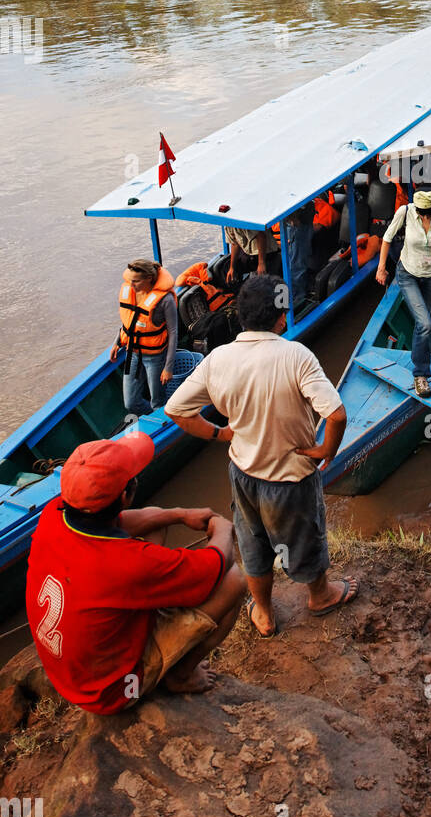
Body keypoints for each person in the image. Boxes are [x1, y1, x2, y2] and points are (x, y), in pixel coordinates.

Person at [165, 275, 357, 638]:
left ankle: (265, 615)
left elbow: (176, 410)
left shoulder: (217, 359)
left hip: (244, 474)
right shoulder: (296, 355)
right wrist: (325, 451)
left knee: (253, 542)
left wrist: (221, 434)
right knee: (305, 538)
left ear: (240, 317)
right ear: (281, 318)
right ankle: (321, 596)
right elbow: (336, 414)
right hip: (292, 477)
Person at [25, 432, 244, 712]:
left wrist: (178, 514)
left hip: (75, 676)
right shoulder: (126, 563)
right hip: (115, 691)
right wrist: (222, 527)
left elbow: (128, 523)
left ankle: (156, 613)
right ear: (126, 496)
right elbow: (215, 566)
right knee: (234, 580)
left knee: (154, 520)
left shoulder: (53, 516)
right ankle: (181, 675)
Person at [376, 188, 431, 398]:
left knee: (422, 323)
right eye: (421, 212)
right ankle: (420, 374)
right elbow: (386, 238)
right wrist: (381, 267)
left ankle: (418, 357)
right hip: (408, 273)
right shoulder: (405, 212)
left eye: (428, 212)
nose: (424, 216)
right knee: (425, 324)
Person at [111, 259, 178, 419]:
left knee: (157, 401)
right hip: (131, 353)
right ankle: (160, 418)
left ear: (148, 278)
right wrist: (117, 342)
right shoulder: (130, 291)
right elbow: (129, 321)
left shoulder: (165, 300)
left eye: (136, 281)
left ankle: (163, 421)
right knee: (130, 403)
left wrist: (168, 367)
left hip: (155, 358)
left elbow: (174, 332)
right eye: (131, 280)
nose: (131, 284)